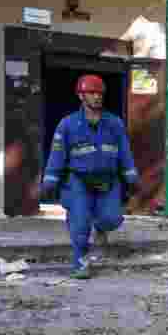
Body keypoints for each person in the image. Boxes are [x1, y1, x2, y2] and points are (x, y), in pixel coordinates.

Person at [40, 75, 139, 279]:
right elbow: (57, 153)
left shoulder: (114, 123)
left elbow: (125, 152)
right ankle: (80, 263)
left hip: (108, 179)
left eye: (100, 93)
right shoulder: (67, 125)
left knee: (112, 219)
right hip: (78, 180)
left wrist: (131, 176)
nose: (97, 97)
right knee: (80, 223)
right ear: (81, 96)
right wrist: (50, 180)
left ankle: (100, 228)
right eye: (91, 93)